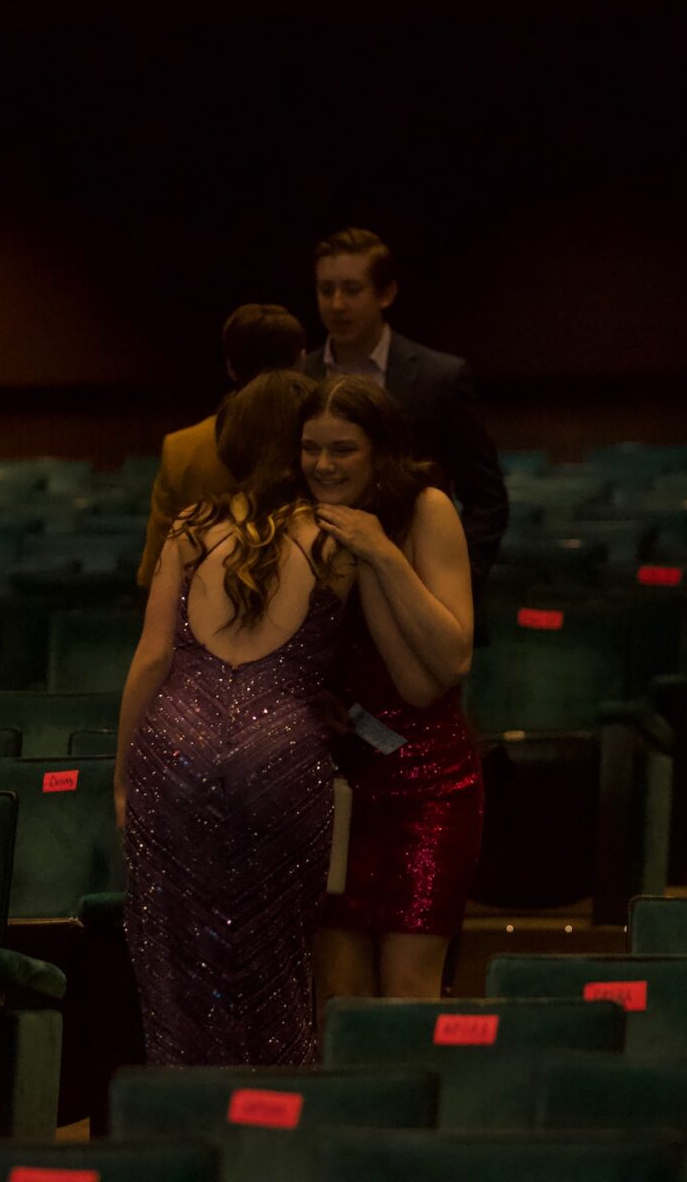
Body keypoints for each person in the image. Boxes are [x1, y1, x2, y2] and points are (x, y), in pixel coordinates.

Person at [116, 369, 356, 1065]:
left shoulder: (193, 528)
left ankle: (187, 1111)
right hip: (284, 752)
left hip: (174, 746)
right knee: (278, 960)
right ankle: (273, 1113)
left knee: (174, 961)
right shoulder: (335, 537)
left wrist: (122, 775)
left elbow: (151, 659)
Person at [302, 375, 483, 1003]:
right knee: (339, 995)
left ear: (379, 451)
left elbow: (446, 663)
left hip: (428, 778)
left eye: (342, 449)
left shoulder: (427, 508)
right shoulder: (301, 523)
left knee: (408, 990)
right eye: (311, 448)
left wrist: (381, 553)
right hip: (336, 780)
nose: (323, 465)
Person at [303, 228, 508, 597]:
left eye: (351, 289)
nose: (336, 304)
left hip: (417, 582)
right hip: (317, 586)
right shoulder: (300, 377)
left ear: (386, 294)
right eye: (325, 289)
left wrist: (458, 579)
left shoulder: (439, 377)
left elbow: (486, 497)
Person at [136, 303, 306, 585]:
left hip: (204, 599)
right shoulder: (324, 442)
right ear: (301, 360)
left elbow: (155, 570)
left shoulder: (181, 449)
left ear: (230, 366)